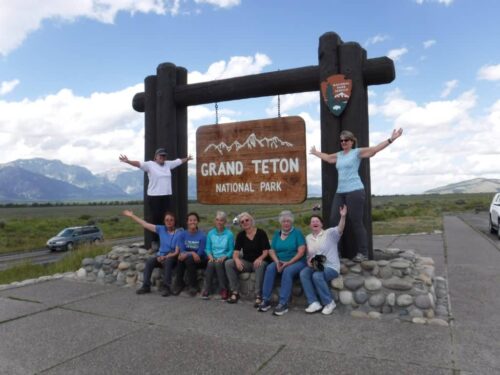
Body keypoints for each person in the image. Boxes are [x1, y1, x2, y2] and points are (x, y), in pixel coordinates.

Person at [310, 128, 403, 262]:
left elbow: (374, 149)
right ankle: (335, 253)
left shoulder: (356, 153)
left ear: (352, 141)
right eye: (341, 140)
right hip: (340, 192)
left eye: (346, 140)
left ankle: (363, 253)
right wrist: (315, 152)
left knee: (356, 222)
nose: (343, 142)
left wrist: (391, 139)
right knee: (334, 221)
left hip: (355, 191)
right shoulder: (340, 155)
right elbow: (329, 158)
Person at [119, 149, 192, 244]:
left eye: (164, 156)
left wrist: (187, 158)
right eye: (160, 155)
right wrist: (128, 161)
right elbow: (138, 164)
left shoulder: (168, 164)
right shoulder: (149, 165)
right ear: (155, 157)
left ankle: (168, 240)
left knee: (167, 218)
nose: (162, 157)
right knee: (156, 220)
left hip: (166, 196)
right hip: (154, 197)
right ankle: (155, 241)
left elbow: (178, 161)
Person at [122, 210, 182, 297]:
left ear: (174, 221)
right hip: (160, 256)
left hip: (172, 256)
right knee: (150, 261)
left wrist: (165, 257)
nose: (169, 222)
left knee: (168, 261)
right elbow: (145, 224)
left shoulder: (179, 233)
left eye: (171, 220)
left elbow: (177, 251)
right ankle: (146, 286)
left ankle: (166, 287)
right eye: (167, 220)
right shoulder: (161, 229)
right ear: (164, 221)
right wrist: (132, 216)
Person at [300, 205, 347, 315]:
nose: (315, 222)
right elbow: (308, 256)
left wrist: (343, 217)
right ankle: (314, 302)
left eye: (317, 221)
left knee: (317, 275)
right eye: (312, 221)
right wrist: (308, 261)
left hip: (331, 267)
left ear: (321, 224)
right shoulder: (307, 238)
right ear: (310, 225)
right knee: (304, 273)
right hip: (316, 265)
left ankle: (329, 302)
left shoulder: (329, 233)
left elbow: (340, 229)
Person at [258, 210, 306, 316]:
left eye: (288, 221)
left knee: (287, 271)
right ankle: (266, 300)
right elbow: (272, 250)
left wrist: (288, 263)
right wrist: (277, 262)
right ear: (281, 222)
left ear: (291, 222)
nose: (286, 223)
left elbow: (301, 251)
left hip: (296, 261)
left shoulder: (297, 233)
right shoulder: (276, 234)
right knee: (270, 268)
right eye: (284, 221)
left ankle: (283, 303)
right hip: (279, 261)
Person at [225, 212, 270, 306]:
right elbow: (236, 252)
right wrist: (237, 260)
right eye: (242, 222)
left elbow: (266, 251)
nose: (245, 222)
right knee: (229, 263)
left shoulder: (261, 233)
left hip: (260, 261)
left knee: (260, 265)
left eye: (247, 220)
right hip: (247, 263)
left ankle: (258, 295)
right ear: (241, 225)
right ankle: (235, 292)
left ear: (251, 221)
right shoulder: (241, 235)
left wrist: (260, 258)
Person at [201, 211, 234, 301]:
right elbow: (208, 248)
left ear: (225, 222)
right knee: (210, 264)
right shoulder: (211, 233)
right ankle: (207, 289)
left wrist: (225, 256)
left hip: (224, 258)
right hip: (213, 257)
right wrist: (210, 256)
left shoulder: (229, 234)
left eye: (222, 220)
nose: (219, 222)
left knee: (218, 264)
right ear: (215, 221)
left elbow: (231, 250)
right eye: (217, 220)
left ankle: (224, 289)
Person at [172, 212, 207, 297]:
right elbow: (182, 250)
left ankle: (193, 286)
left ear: (197, 222)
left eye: (194, 220)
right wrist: (191, 253)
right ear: (187, 222)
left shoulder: (202, 235)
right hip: (189, 259)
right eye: (190, 220)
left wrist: (188, 254)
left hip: (201, 259)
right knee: (180, 259)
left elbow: (199, 253)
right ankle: (180, 284)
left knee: (187, 258)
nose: (192, 222)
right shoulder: (182, 235)